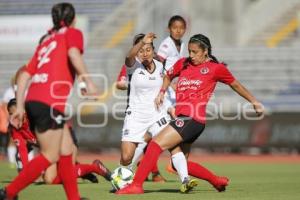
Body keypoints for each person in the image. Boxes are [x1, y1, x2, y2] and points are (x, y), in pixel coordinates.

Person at [116, 33, 264, 195]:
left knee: (154, 145)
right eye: (189, 51)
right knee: (177, 163)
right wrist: (162, 91)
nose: (191, 55)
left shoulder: (216, 69)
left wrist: (254, 102)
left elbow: (236, 85)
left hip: (192, 118)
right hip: (183, 119)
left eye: (195, 52)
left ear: (205, 51)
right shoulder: (183, 63)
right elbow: (168, 75)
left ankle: (136, 185)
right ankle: (216, 181)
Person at [0, 3, 98, 200]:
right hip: (49, 102)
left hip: (34, 99)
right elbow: (73, 53)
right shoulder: (72, 33)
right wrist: (88, 81)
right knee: (50, 155)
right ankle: (8, 193)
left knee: (66, 149)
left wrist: (20, 106)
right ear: (73, 18)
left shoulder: (45, 42)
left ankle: (74, 198)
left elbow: (24, 74)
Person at [117, 32, 198, 192]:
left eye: (148, 49)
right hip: (136, 116)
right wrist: (141, 43)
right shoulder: (133, 66)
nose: (145, 53)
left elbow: (166, 86)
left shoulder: (161, 66)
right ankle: (122, 176)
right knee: (126, 157)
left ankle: (185, 180)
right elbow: (128, 56)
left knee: (174, 146)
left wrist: (171, 105)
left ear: (153, 51)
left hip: (157, 114)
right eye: (141, 50)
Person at [6, 98, 111, 184]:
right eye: (10, 114)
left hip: (65, 139)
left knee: (61, 176)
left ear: (23, 112)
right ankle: (86, 169)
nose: (12, 117)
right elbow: (22, 150)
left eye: (14, 113)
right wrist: (26, 175)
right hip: (51, 149)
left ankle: (94, 168)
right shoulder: (14, 128)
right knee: (51, 179)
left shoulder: (36, 118)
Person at [115, 64, 166, 183]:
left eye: (147, 49)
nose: (144, 53)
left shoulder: (157, 64)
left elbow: (166, 78)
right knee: (136, 147)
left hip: (155, 111)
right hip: (136, 113)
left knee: (165, 141)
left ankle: (182, 178)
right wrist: (124, 84)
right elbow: (120, 83)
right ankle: (125, 172)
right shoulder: (130, 65)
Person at [157, 15, 187, 173]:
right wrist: (168, 84)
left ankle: (173, 162)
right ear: (169, 28)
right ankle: (176, 163)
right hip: (167, 91)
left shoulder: (182, 45)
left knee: (173, 128)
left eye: (181, 28)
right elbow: (157, 66)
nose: (178, 31)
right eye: (175, 27)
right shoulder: (166, 45)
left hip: (176, 93)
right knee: (177, 125)